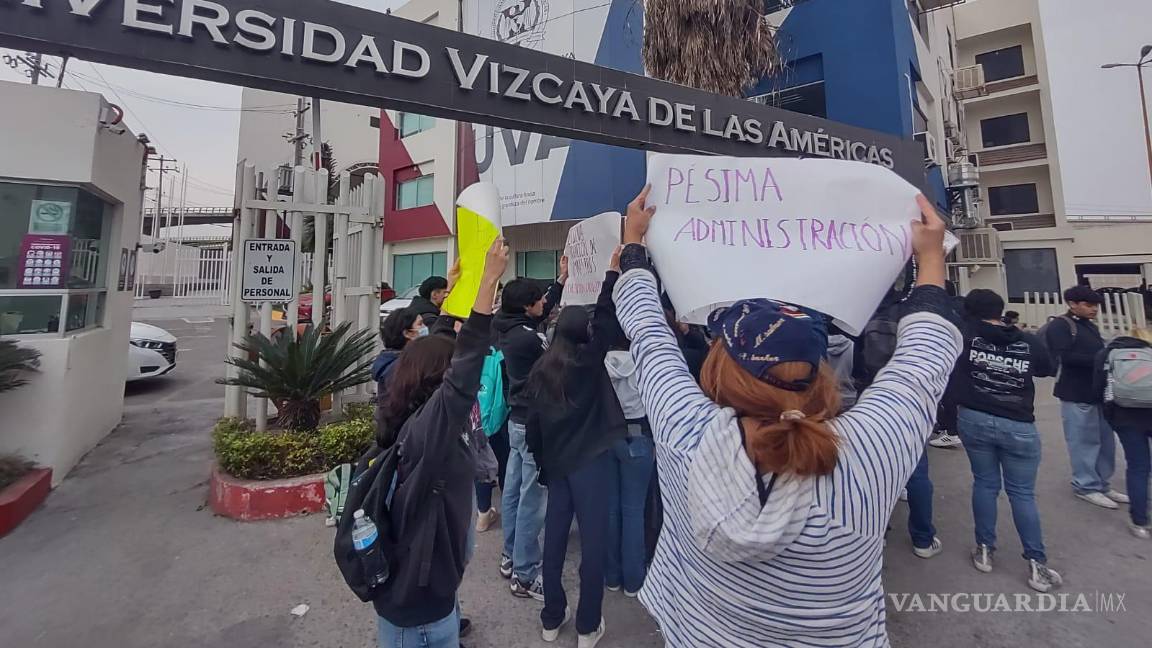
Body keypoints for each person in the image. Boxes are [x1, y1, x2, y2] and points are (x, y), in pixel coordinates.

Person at [612, 187, 961, 646]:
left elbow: (649, 333)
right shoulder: (870, 450)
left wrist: (634, 245)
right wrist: (930, 260)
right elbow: (924, 360)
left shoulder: (686, 434)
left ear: (718, 369)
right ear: (821, 374)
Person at [371, 239, 508, 648]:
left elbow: (444, 349)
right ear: (437, 381)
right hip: (420, 620)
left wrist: (450, 299)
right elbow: (464, 368)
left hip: (420, 601)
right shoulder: (428, 432)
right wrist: (486, 283)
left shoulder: (403, 409)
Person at [525, 254, 626, 647]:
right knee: (593, 542)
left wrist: (541, 463)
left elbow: (533, 427)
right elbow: (605, 318)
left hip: (558, 465)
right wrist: (612, 271)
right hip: (591, 462)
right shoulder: (587, 363)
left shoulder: (541, 368)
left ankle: (552, 618)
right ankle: (588, 625)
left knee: (553, 541)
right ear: (583, 335)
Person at [953, 289, 1062, 591]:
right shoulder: (1027, 340)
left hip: (974, 419)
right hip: (1018, 424)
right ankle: (1037, 564)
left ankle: (985, 549)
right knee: (1022, 494)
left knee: (985, 484)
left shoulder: (964, 336)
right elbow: (1045, 368)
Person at [495, 262, 568, 599]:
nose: (544, 304)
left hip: (517, 421)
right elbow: (557, 364)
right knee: (532, 499)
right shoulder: (527, 339)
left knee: (513, 491)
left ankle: (511, 557)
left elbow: (541, 312)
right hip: (533, 424)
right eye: (539, 300)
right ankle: (525, 575)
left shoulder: (506, 324)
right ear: (526, 306)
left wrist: (560, 281)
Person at [1045, 285, 1128, 509]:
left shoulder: (1089, 327)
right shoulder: (1060, 326)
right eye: (1089, 305)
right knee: (1084, 441)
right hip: (1075, 392)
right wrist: (1101, 358)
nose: (1094, 309)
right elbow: (1063, 357)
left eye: (1096, 306)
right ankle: (1085, 485)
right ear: (1072, 304)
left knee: (1105, 441)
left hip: (1099, 393)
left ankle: (1102, 483)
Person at [1093, 327, 1152, 539]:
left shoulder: (1107, 353)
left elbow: (1097, 388)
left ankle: (1140, 523)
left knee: (1138, 467)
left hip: (1125, 417)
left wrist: (1111, 416)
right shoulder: (1149, 351)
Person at [372, 307, 426, 446]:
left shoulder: (399, 362)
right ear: (407, 333)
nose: (425, 328)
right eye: (420, 324)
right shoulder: (399, 368)